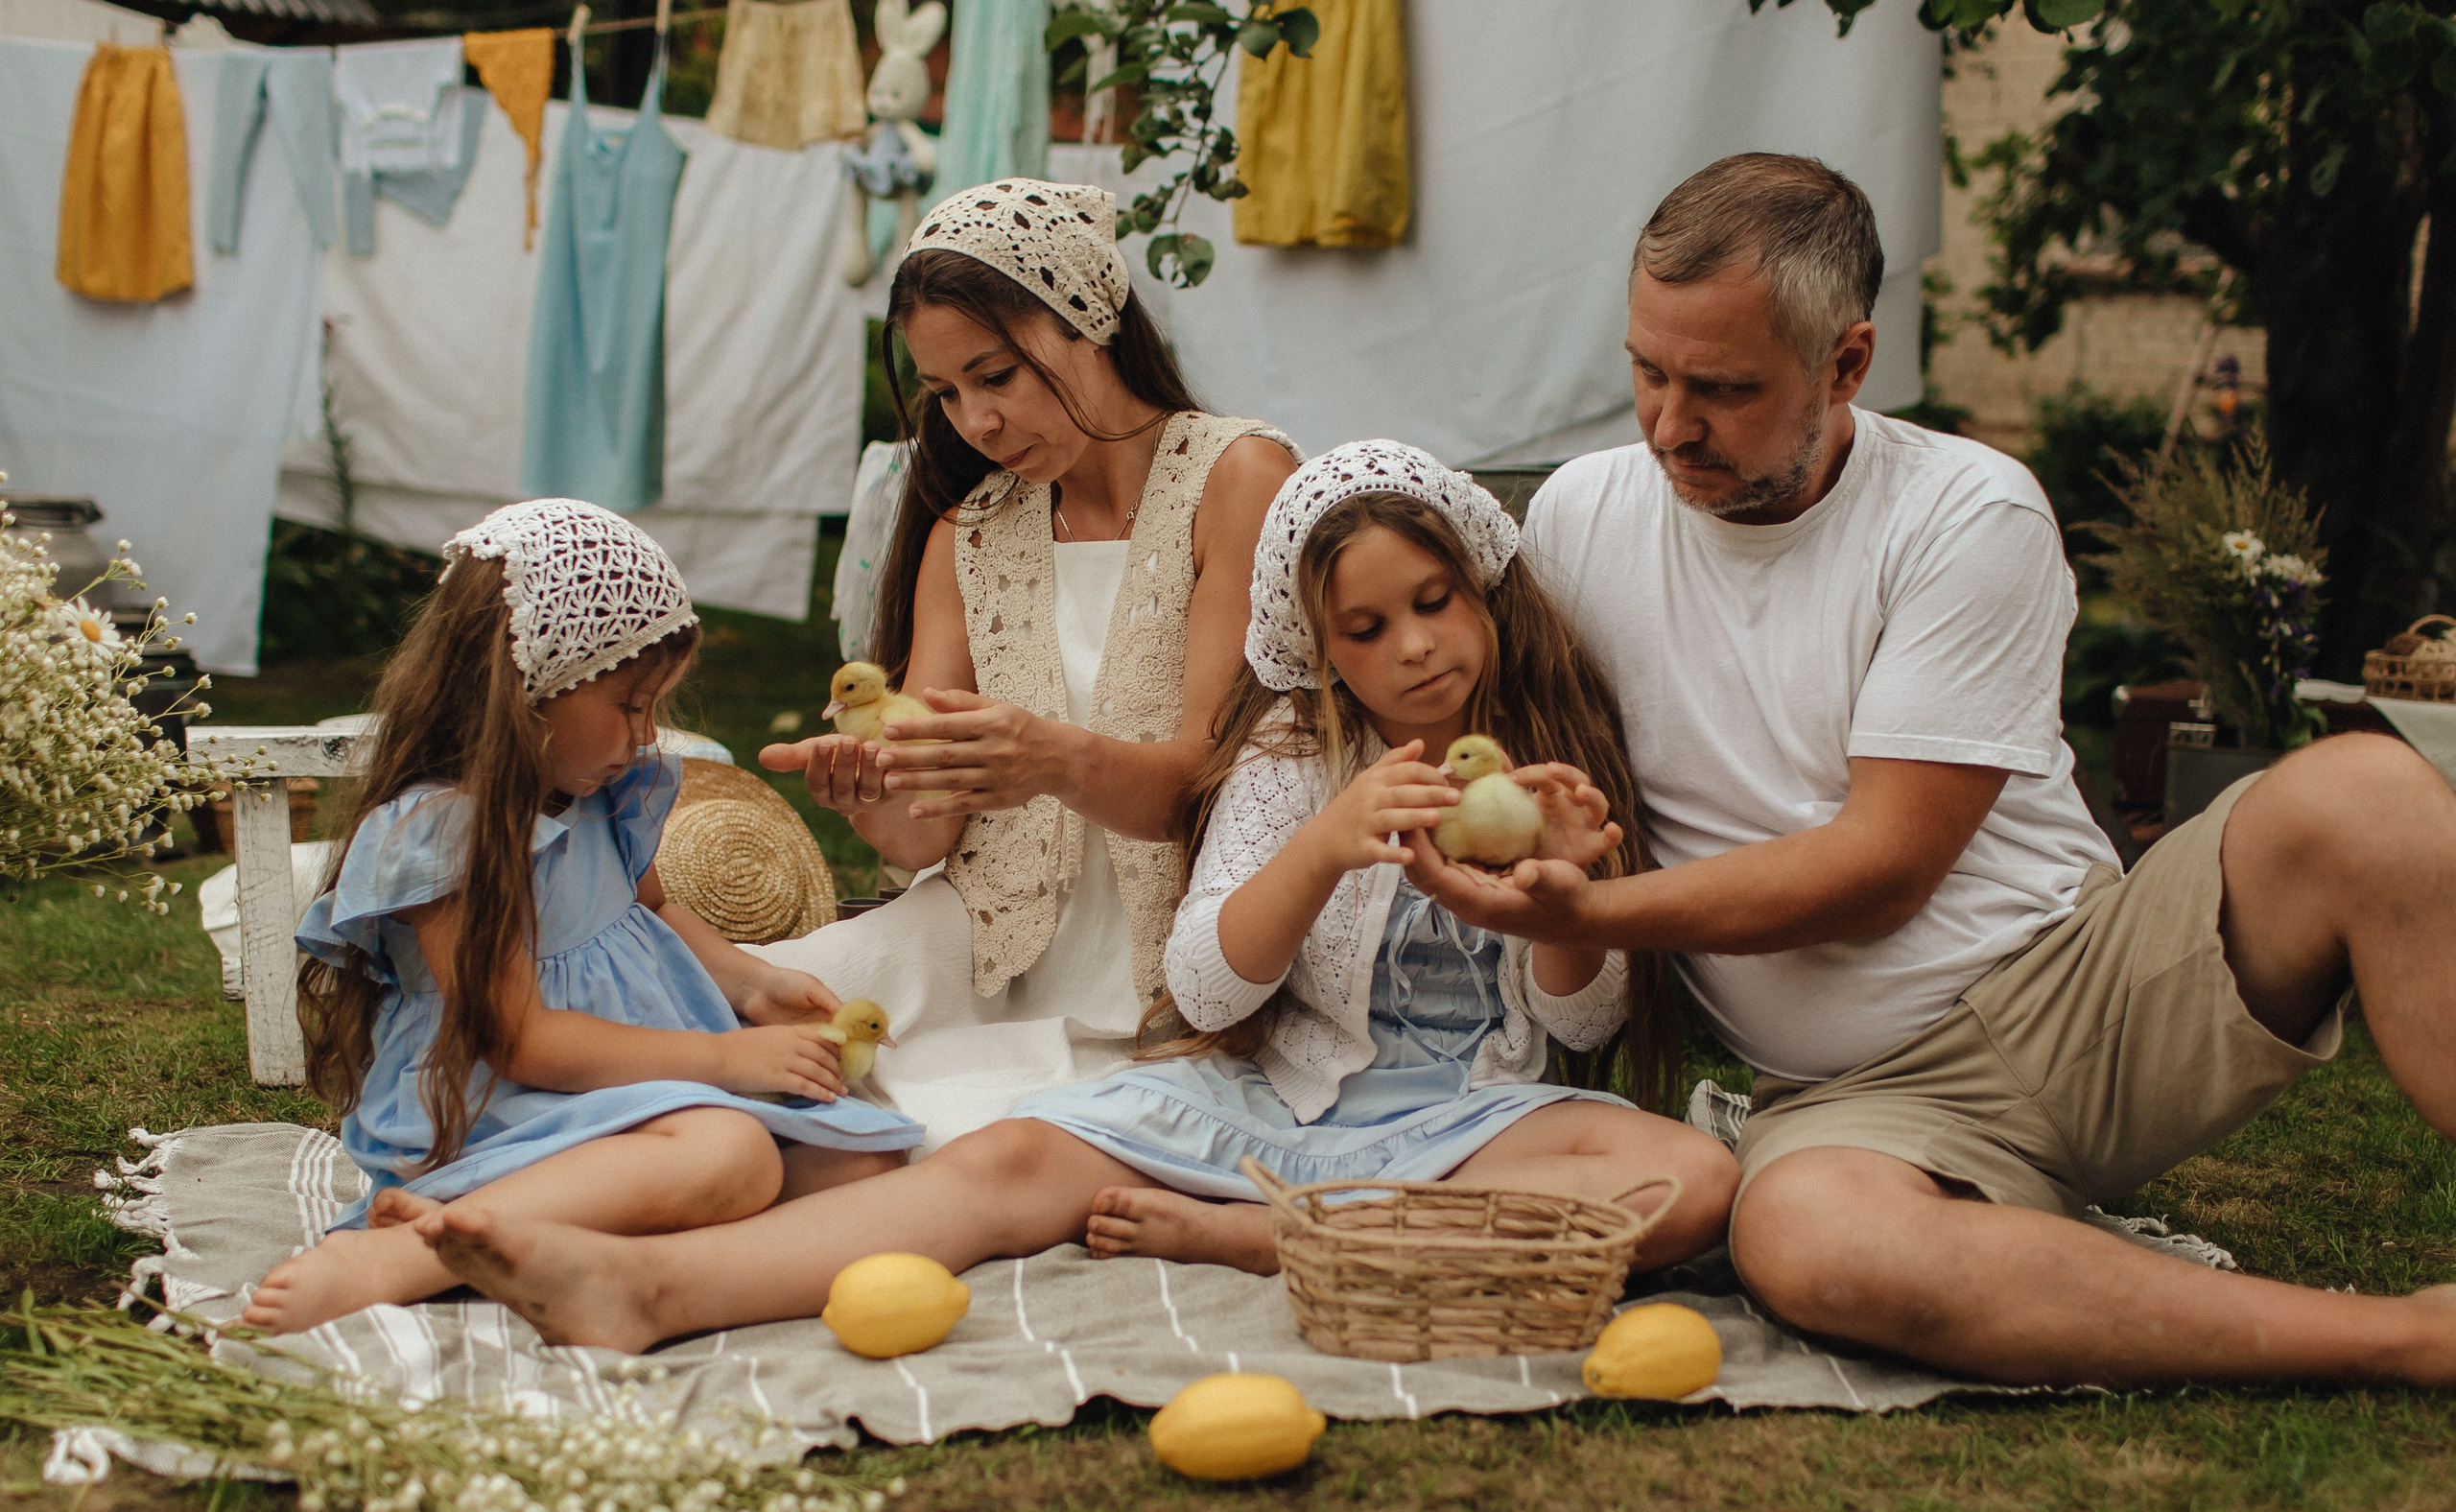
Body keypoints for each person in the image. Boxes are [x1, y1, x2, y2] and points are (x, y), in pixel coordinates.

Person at [1406, 152, 2456, 1387]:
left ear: (1845, 364)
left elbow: (1884, 866)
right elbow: (1454, 700)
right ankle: (2416, 1339)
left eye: (1723, 387)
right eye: (1646, 370)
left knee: (2365, 796)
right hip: (1854, 1101)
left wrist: (1597, 908)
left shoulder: (1967, 511)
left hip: (2085, 1001)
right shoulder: (1584, 516)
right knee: (1806, 1240)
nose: (1667, 423)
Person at [409, 443, 1737, 1350]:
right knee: (1009, 1157)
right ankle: (652, 1285)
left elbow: (1577, 1032)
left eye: (1435, 603)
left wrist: (1568, 910)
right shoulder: (1292, 759)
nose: (1415, 649)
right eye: (1367, 630)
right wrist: (1328, 842)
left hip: (1479, 1121)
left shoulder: (1555, 755)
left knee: (1683, 1177)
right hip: (1282, 1102)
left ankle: (1263, 1240)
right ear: (1320, 650)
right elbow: (1214, 987)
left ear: (1484, 587)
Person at [239, 501, 921, 1335]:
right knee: (731, 1156)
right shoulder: (443, 833)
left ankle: (603, 1259)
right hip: (504, 1105)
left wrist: (754, 983)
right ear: (529, 692)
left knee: (868, 1160)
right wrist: (725, 1059)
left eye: (654, 708)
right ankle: (406, 1254)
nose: (645, 737)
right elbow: (521, 1041)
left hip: (639, 1088)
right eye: (630, 705)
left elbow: (657, 908)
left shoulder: (598, 797)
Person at [751, 178, 1299, 1158]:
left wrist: (1049, 759)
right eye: (947, 393)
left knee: (913, 1133)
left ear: (1090, 316)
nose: (977, 423)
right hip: (980, 940)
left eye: (995, 374)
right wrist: (870, 795)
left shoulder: (1238, 480)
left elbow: (1215, 792)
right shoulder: (969, 529)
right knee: (741, 1006)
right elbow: (922, 839)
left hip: (1171, 968)